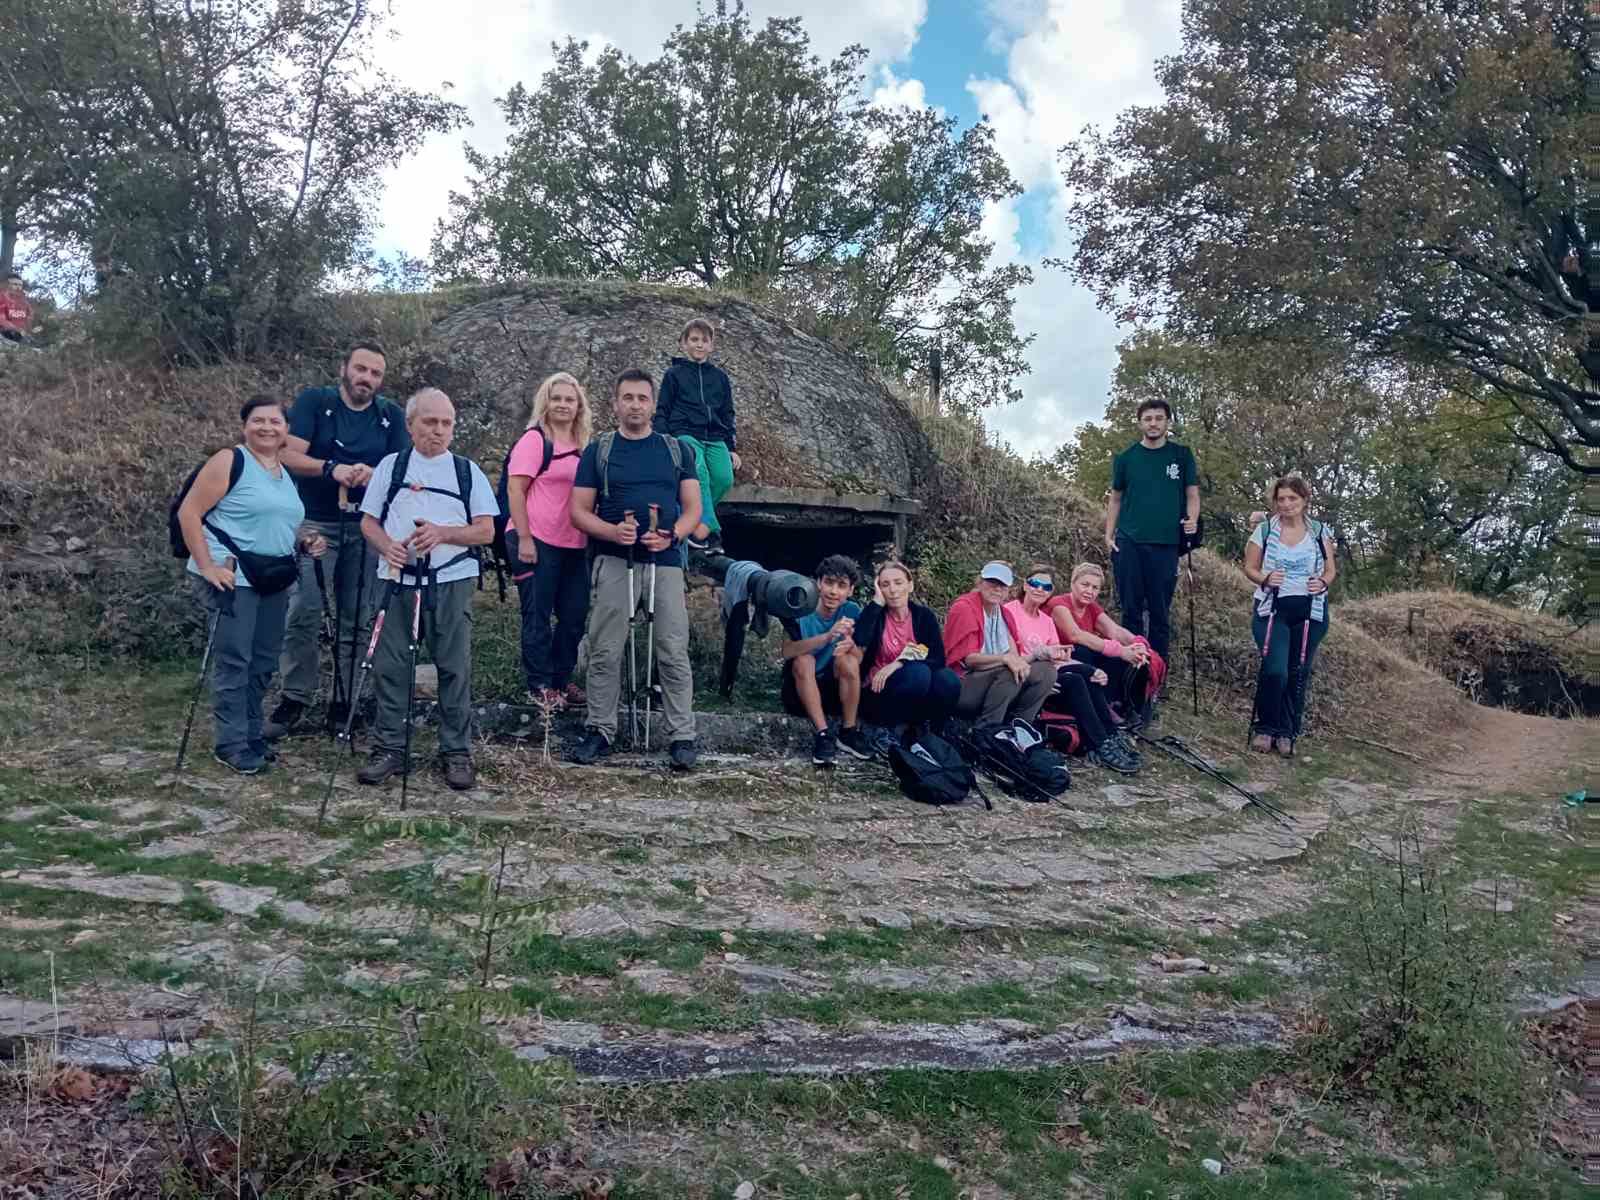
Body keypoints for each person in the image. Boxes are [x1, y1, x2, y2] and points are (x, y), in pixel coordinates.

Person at [355, 389, 497, 790]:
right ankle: (390, 749)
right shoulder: (392, 466)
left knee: (454, 667)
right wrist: (388, 549)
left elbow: (486, 530)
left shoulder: (467, 472)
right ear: (411, 425)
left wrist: (442, 534)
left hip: (451, 582)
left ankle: (456, 752)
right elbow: (369, 522)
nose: (438, 431)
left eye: (446, 423)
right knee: (391, 666)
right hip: (396, 581)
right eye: (429, 422)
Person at [267, 342, 409, 738]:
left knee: (357, 615)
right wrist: (333, 469)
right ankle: (295, 695)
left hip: (366, 524)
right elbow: (288, 455)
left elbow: (400, 468)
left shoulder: (389, 416)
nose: (367, 378)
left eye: (375, 373)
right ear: (344, 368)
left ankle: (345, 698)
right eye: (361, 369)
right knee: (305, 608)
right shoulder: (317, 403)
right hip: (315, 521)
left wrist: (370, 474)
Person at [569, 368, 704, 770]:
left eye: (642, 398)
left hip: (664, 562)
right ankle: (599, 729)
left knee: (673, 649)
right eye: (627, 397)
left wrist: (673, 535)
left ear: (653, 404)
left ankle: (682, 734)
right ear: (615, 403)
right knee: (606, 648)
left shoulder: (677, 450)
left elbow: (693, 508)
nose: (635, 405)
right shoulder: (600, 450)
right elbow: (578, 511)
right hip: (614, 560)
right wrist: (613, 531)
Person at [177, 396, 317, 774]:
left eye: (275, 421)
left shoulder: (282, 473)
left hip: (272, 576)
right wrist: (207, 566)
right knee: (235, 660)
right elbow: (189, 512)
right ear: (245, 425)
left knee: (264, 660)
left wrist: (305, 539)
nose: (267, 427)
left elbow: (279, 523)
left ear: (287, 430)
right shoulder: (229, 460)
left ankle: (253, 733)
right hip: (232, 575)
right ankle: (232, 742)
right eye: (259, 420)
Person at [505, 372, 592, 710]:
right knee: (537, 615)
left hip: (574, 543)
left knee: (574, 617)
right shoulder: (534, 440)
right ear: (546, 401)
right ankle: (540, 684)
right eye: (556, 398)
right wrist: (524, 538)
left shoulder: (584, 446)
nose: (562, 405)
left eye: (569, 399)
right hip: (535, 539)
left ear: (578, 405)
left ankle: (561, 679)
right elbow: (515, 489)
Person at [1005, 564, 1141, 773]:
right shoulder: (1009, 612)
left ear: (1051, 592)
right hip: (1024, 676)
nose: (1039, 589)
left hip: (1052, 676)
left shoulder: (1047, 621)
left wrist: (1090, 670)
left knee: (1089, 675)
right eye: (1034, 584)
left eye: (1046, 587)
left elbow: (1059, 658)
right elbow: (1012, 656)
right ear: (1025, 584)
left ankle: (1109, 737)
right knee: (1076, 680)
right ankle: (1101, 743)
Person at [1105, 398, 1199, 685]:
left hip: (1166, 543)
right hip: (1129, 540)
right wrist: (1109, 533)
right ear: (1140, 423)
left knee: (1160, 612)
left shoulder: (1181, 455)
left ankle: (1157, 677)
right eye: (1148, 418)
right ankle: (1133, 674)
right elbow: (1116, 497)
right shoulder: (1126, 458)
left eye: (1159, 418)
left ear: (1167, 422)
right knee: (1131, 610)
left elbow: (1192, 494)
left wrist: (1192, 519)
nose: (1154, 423)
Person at [1242, 475, 1336, 756]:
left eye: (1292, 498)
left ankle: (1286, 731)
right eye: (1281, 499)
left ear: (1305, 500)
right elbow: (1249, 567)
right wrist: (1266, 578)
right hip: (1271, 609)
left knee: (1298, 672)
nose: (1286, 504)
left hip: (1311, 611)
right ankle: (1265, 727)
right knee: (1276, 670)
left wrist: (1323, 583)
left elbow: (1330, 570)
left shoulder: (1319, 531)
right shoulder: (1265, 530)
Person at [654, 318, 739, 552]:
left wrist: (731, 447)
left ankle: (691, 516)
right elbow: (662, 408)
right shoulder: (674, 374)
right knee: (698, 468)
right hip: (684, 432)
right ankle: (708, 531)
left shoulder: (720, 378)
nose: (699, 344)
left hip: (714, 437)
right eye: (694, 339)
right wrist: (664, 438)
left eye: (704, 340)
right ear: (683, 344)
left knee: (724, 478)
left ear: (711, 346)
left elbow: (728, 412)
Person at [1047, 562, 1166, 725]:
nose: (1089, 591)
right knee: (1084, 650)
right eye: (1085, 585)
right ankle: (1103, 707)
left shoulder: (1092, 608)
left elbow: (1115, 631)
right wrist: (1120, 650)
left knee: (1125, 658)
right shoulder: (1058, 604)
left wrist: (1139, 644)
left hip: (1082, 660)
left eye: (1095, 588)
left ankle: (1121, 706)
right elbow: (1075, 635)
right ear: (1072, 583)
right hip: (1060, 661)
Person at [781, 554, 873, 765]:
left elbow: (859, 659)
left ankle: (848, 731)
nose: (833, 591)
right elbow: (787, 652)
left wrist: (850, 643)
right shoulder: (800, 608)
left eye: (841, 586)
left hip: (833, 691)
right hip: (800, 690)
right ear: (818, 583)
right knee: (804, 660)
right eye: (829, 583)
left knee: (848, 660)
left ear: (850, 591)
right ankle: (823, 734)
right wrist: (827, 637)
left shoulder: (851, 610)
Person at [941, 561, 1058, 727]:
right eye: (992, 583)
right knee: (1009, 670)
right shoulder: (965, 608)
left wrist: (1037, 656)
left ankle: (1020, 726)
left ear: (1008, 590)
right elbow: (969, 660)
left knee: (1047, 671)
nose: (997, 589)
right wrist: (1006, 659)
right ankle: (988, 728)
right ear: (980, 583)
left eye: (1003, 586)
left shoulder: (1004, 614)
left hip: (994, 682)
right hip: (964, 685)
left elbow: (1015, 656)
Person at [852, 560, 959, 733]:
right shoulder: (875, 616)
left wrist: (898, 663)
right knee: (919, 674)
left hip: (914, 687)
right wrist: (877, 603)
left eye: (898, 582)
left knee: (947, 679)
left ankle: (936, 733)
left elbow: (937, 658)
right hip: (878, 691)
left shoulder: (923, 616)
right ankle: (888, 729)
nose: (893, 590)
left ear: (910, 585)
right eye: (885, 585)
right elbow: (860, 638)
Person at [0, 273, 32, 343]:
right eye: (15, 284)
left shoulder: (24, 303)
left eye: (20, 285)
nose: (18, 287)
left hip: (17, 335)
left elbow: (28, 320)